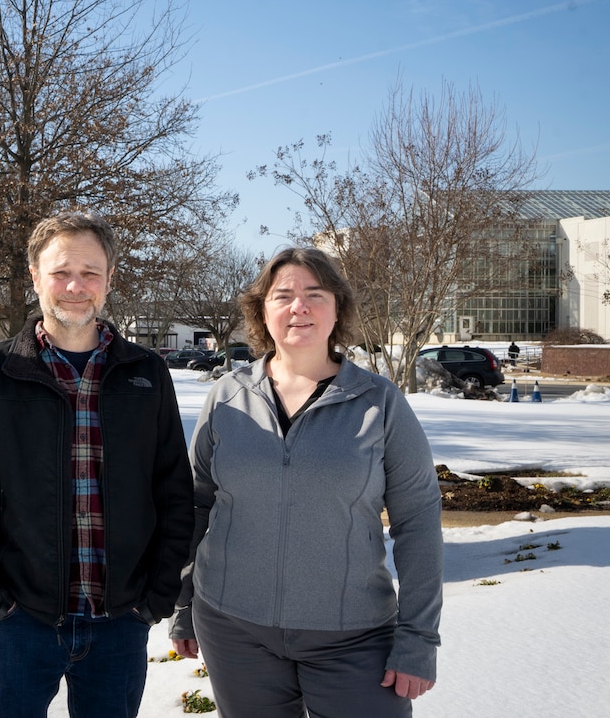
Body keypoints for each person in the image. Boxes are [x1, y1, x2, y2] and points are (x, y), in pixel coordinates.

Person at [169, 247, 443, 716]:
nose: (300, 306)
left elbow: (417, 521)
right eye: (284, 296)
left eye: (315, 294)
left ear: (337, 308)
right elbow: (196, 505)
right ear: (262, 311)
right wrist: (183, 603)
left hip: (353, 637)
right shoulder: (228, 396)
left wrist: (418, 638)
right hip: (234, 629)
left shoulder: (380, 402)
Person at [0, 211, 194, 717]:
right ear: (35, 276)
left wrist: (158, 597)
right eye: (60, 272)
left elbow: (173, 492)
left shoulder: (147, 374)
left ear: (109, 280)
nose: (75, 286)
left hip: (122, 619)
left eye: (90, 272)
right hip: (21, 620)